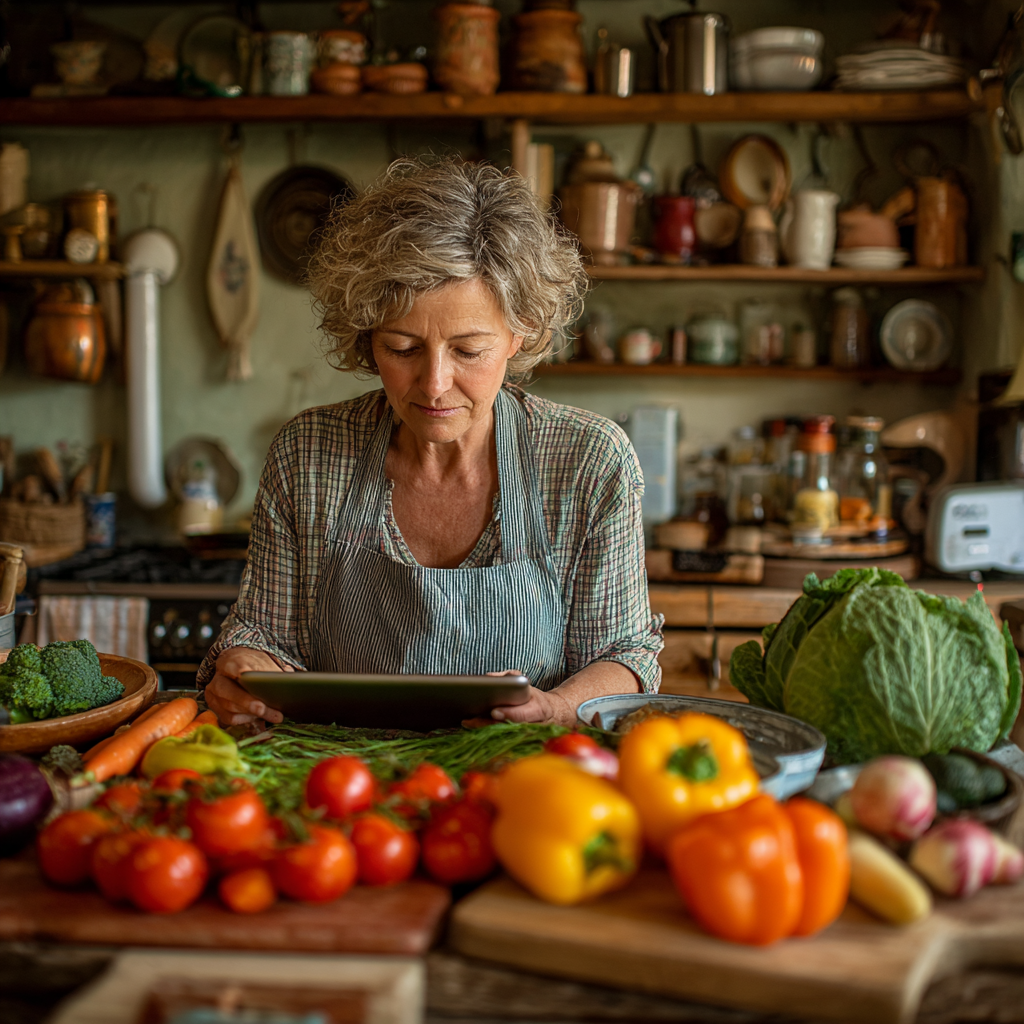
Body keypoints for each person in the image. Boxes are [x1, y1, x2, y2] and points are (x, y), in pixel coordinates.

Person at [199, 157, 663, 727]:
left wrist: (558, 709)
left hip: (525, 774)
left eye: (469, 351)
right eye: (402, 348)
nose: (435, 384)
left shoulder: (589, 460)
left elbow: (625, 654)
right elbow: (263, 633)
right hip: (341, 773)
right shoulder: (308, 453)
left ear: (521, 333)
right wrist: (244, 664)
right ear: (367, 336)